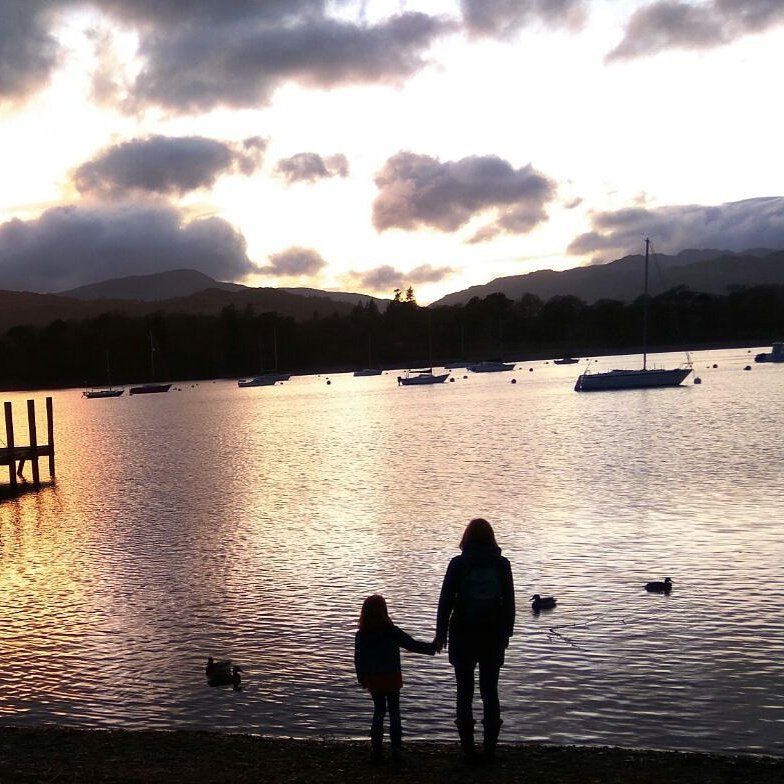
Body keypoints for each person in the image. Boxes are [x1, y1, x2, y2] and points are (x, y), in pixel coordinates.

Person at [436, 518, 515, 759]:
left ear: (466, 538)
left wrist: (441, 635)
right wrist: (506, 634)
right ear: (492, 538)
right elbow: (510, 604)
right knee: (490, 691)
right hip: (492, 635)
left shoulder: (458, 564)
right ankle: (489, 749)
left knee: (464, 692)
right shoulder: (502, 564)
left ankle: (468, 750)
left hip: (463, 634)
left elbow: (445, 601)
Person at [354, 594, 437, 761]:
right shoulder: (391, 631)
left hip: (374, 679)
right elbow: (411, 645)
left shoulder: (362, 634)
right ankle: (396, 750)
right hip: (392, 677)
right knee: (394, 712)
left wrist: (362, 678)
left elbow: (359, 659)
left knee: (378, 712)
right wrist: (432, 648)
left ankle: (376, 750)